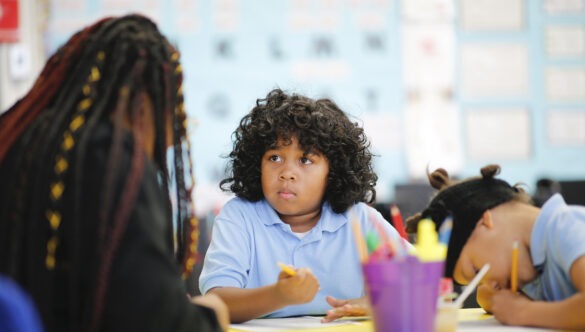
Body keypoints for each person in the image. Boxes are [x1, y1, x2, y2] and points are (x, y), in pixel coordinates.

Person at [0, 14, 228, 332]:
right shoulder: (112, 160)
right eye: (173, 108)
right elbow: (157, 320)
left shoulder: (14, 138)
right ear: (146, 104)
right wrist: (213, 315)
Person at [198, 88, 408, 323]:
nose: (287, 173)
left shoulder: (361, 220)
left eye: (305, 160)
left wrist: (379, 303)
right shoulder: (239, 216)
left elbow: (419, 281)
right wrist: (278, 295)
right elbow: (217, 301)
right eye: (274, 158)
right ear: (257, 163)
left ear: (334, 170)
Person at [405, 164, 585, 330]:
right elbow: (486, 297)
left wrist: (524, 311)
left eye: (477, 271)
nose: (490, 283)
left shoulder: (565, 226)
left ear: (485, 222)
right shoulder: (530, 265)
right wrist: (495, 298)